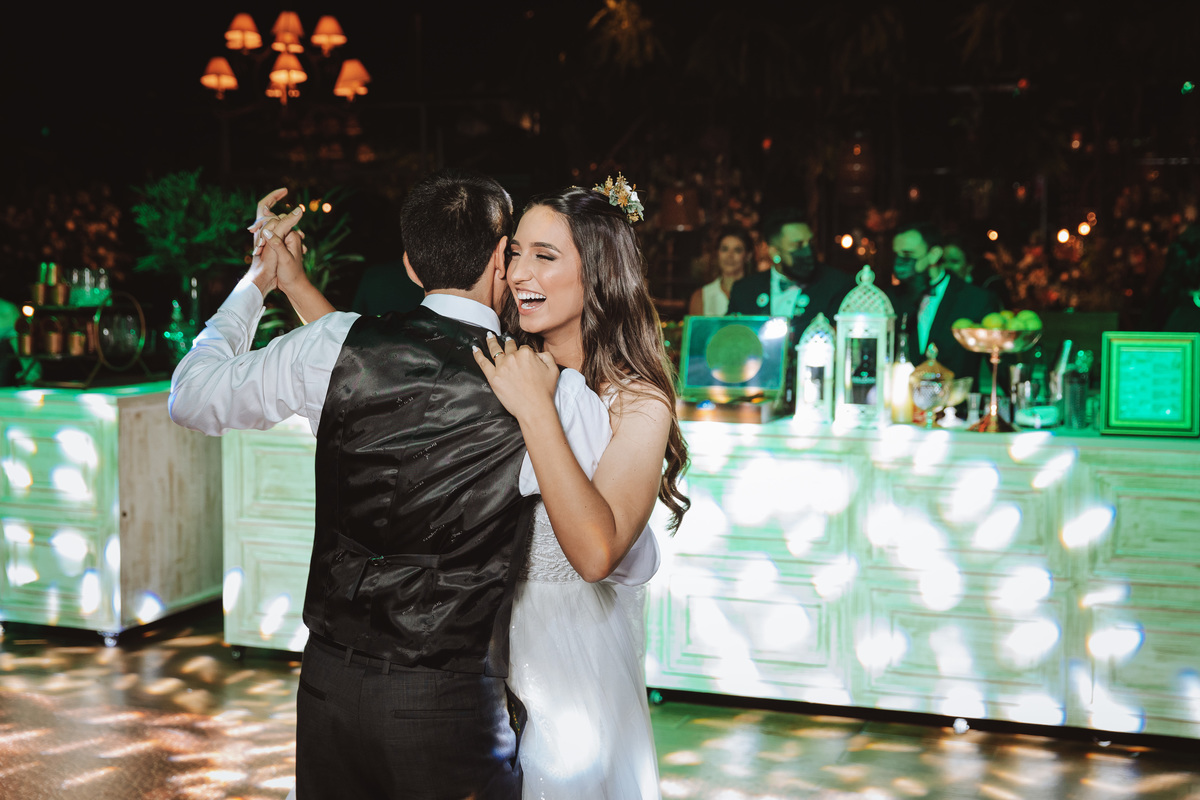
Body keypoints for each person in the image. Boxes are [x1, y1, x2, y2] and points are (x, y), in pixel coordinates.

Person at [169, 170, 623, 799]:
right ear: (500, 259)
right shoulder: (549, 393)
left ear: (411, 266)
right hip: (450, 702)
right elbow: (608, 544)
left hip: (327, 684)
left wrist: (257, 282)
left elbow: (190, 397)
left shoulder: (331, 344)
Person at [473, 182, 689, 799]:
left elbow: (596, 553)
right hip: (481, 657)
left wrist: (539, 412)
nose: (518, 273)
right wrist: (290, 282)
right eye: (513, 253)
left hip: (573, 669)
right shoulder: (503, 362)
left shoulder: (638, 402)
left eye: (545, 255)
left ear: (596, 275)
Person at [727, 209, 854, 406]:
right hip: (753, 399)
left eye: (810, 243)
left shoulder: (836, 285)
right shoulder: (745, 290)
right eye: (797, 246)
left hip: (815, 399)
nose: (807, 251)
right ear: (774, 252)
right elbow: (732, 343)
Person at [891, 222, 1001, 381]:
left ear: (934, 254)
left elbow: (999, 363)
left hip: (957, 401)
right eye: (897, 254)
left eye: (908, 254)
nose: (900, 261)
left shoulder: (976, 299)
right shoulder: (892, 298)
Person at [688, 226, 752, 316]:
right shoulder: (702, 296)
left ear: (748, 256)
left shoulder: (757, 293)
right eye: (724, 249)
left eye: (737, 250)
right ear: (717, 253)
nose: (730, 255)